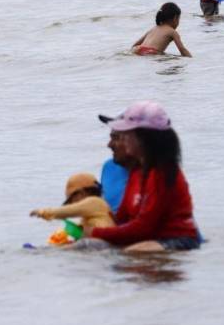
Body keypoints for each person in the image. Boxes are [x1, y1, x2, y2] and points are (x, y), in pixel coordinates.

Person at [85, 102, 200, 252]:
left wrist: (95, 232)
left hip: (176, 240)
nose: (123, 140)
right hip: (145, 237)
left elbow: (144, 227)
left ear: (143, 139)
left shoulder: (162, 173)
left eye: (126, 135)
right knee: (87, 246)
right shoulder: (137, 171)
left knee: (132, 252)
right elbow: (121, 218)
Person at [30, 172, 115, 235]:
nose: (71, 203)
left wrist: (43, 212)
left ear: (81, 193)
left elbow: (68, 211)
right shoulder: (96, 207)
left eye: (71, 199)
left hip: (103, 242)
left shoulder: (94, 201)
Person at [97, 116, 133, 213]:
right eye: (111, 138)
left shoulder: (157, 175)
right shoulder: (109, 167)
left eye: (116, 138)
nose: (109, 145)